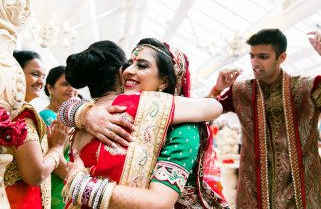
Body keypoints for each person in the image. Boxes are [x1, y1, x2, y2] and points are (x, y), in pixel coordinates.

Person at [60, 39, 228, 208]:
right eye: (129, 64)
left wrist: (81, 185)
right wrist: (80, 112)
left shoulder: (183, 129)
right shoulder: (105, 111)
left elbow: (160, 201)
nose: (128, 71)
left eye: (142, 66)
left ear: (164, 81)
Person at [207, 29, 321, 208]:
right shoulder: (240, 91)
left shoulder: (307, 88)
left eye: (263, 56)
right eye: (252, 56)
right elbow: (205, 115)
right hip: (254, 195)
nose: (255, 63)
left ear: (282, 57)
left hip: (303, 195)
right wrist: (217, 88)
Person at [4, 50, 69, 209]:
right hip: (20, 201)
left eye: (43, 76)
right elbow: (36, 175)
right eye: (35, 74)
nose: (40, 81)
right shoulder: (23, 117)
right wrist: (56, 148)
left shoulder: (8, 112)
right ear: (16, 74)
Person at [39, 66, 77, 209]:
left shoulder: (68, 119)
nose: (71, 88)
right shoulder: (48, 117)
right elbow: (54, 157)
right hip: (58, 183)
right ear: (50, 88)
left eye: (73, 84)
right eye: (65, 84)